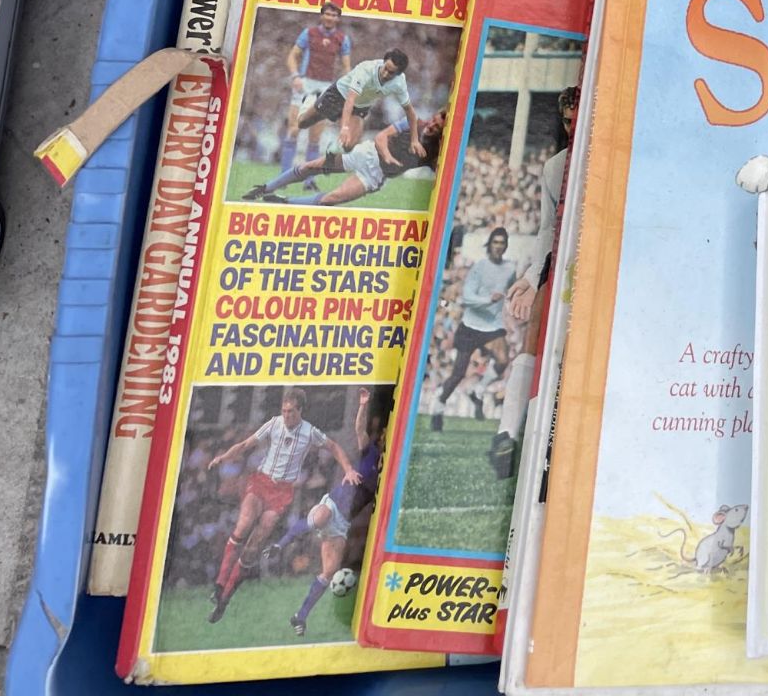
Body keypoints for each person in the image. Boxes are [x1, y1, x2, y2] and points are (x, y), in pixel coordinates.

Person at [204, 389, 357, 623]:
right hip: (261, 482)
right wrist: (224, 457)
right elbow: (246, 443)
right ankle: (218, 585)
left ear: (300, 411)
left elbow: (334, 446)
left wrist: (348, 469)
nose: (286, 416)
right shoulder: (274, 424)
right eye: (284, 411)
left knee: (254, 545)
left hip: (282, 492)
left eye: (291, 412)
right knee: (242, 526)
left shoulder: (309, 432)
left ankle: (224, 599)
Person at [491, 87, 579, 477]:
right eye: (567, 121)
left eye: (579, 118)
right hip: (564, 262)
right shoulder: (555, 167)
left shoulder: (617, 154)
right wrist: (530, 278)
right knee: (533, 336)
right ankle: (505, 436)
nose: (573, 127)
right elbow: (548, 231)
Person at [266, 388, 386, 637]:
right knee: (320, 517)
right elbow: (360, 429)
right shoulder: (371, 452)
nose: (385, 440)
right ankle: (280, 544)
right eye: (385, 437)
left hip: (342, 524)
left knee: (329, 571)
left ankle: (300, 617)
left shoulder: (390, 473)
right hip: (331, 505)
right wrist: (363, 404)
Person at [248, 112, 446, 206]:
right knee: (311, 166)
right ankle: (265, 188)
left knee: (331, 199)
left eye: (437, 127)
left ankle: (283, 202)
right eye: (434, 120)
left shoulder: (434, 153)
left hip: (375, 175)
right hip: (367, 153)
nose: (431, 125)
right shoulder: (414, 122)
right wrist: (387, 155)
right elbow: (381, 137)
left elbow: (441, 175)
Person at [431, 227, 517, 432]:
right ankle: (439, 406)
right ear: (490, 245)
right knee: (458, 373)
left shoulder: (509, 269)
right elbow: (468, 298)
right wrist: (489, 299)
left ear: (506, 246)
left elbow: (510, 290)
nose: (498, 246)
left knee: (504, 360)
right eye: (495, 242)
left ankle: (478, 390)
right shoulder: (479, 268)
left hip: (492, 327)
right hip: (471, 326)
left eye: (502, 243)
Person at [294, 49, 423, 161]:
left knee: (349, 145)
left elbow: (410, 113)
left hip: (361, 106)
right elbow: (350, 99)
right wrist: (344, 128)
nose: (385, 74)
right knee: (303, 123)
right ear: (383, 63)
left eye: (391, 73)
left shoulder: (399, 83)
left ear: (398, 74)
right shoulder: (367, 69)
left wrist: (415, 140)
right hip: (339, 95)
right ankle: (311, 99)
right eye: (385, 68)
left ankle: (331, 150)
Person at [282, 3, 352, 170]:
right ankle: (283, 174)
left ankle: (309, 181)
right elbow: (292, 56)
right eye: (327, 14)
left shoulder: (343, 39)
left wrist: (342, 86)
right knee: (294, 130)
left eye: (334, 15)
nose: (330, 18)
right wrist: (295, 76)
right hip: (305, 83)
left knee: (315, 137)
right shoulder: (309, 33)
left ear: (338, 18)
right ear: (322, 16)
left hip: (325, 87)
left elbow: (346, 67)